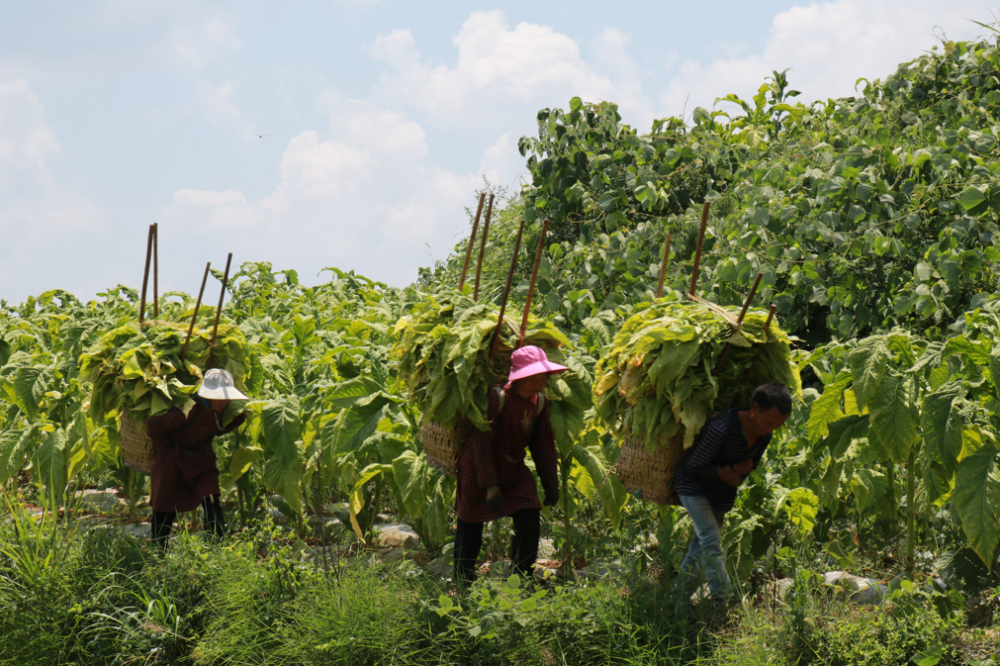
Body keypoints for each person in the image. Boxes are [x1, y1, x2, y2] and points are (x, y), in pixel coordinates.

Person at [453, 345, 568, 586]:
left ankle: (520, 577)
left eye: (543, 377)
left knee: (529, 513)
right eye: (533, 377)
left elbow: (543, 443)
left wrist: (551, 484)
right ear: (519, 377)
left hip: (514, 470)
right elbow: (481, 442)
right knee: (470, 527)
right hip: (479, 468)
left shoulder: (539, 403)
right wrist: (490, 486)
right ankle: (462, 582)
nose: (539, 383)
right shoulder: (498, 397)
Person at [672, 383, 792, 604]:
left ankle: (677, 599)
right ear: (754, 408)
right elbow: (694, 465)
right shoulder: (723, 427)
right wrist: (726, 471)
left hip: (720, 494)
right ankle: (724, 599)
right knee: (711, 541)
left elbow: (749, 467)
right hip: (693, 487)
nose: (771, 429)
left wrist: (736, 477)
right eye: (768, 422)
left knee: (698, 550)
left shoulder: (764, 436)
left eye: (778, 425)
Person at [145, 368, 248, 547]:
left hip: (201, 458)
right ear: (207, 395)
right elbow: (153, 426)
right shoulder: (189, 408)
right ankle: (158, 551)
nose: (224, 402)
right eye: (220, 398)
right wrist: (164, 442)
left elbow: (221, 428)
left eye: (226, 398)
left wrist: (237, 417)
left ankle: (215, 548)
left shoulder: (221, 409)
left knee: (211, 500)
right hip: (172, 458)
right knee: (166, 506)